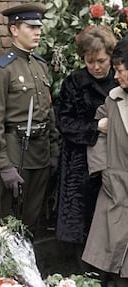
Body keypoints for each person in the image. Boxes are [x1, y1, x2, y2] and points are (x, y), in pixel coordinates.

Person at [0, 3, 60, 233]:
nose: (38, 31)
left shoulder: (40, 65)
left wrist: (54, 150)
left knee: (33, 219)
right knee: (12, 221)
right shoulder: (2, 70)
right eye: (31, 26)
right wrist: (4, 165)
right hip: (18, 152)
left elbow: (49, 110)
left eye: (39, 26)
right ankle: (12, 267)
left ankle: (30, 266)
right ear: (14, 30)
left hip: (41, 152)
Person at [55, 25, 117, 277]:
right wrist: (95, 127)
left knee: (112, 222)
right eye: (90, 61)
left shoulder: (120, 80)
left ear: (111, 56)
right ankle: (87, 278)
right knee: (83, 225)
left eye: (101, 61)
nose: (96, 67)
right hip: (80, 166)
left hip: (115, 163)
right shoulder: (74, 83)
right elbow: (63, 121)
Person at [81, 37, 128, 287]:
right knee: (112, 262)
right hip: (115, 189)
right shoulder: (113, 100)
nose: (116, 76)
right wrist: (104, 171)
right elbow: (98, 138)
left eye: (120, 71)